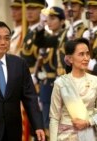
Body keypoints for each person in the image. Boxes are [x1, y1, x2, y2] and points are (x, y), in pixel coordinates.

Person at [49, 38, 97, 141]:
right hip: (65, 137)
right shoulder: (61, 83)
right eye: (81, 54)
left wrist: (88, 122)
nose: (86, 58)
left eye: (87, 54)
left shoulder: (95, 81)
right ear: (70, 59)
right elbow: (54, 118)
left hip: (88, 136)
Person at [36, 6, 66, 140]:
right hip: (46, 87)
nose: (49, 21)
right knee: (46, 123)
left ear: (62, 21)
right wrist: (41, 26)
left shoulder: (63, 37)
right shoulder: (53, 37)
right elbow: (39, 41)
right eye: (48, 19)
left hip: (57, 84)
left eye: (53, 19)